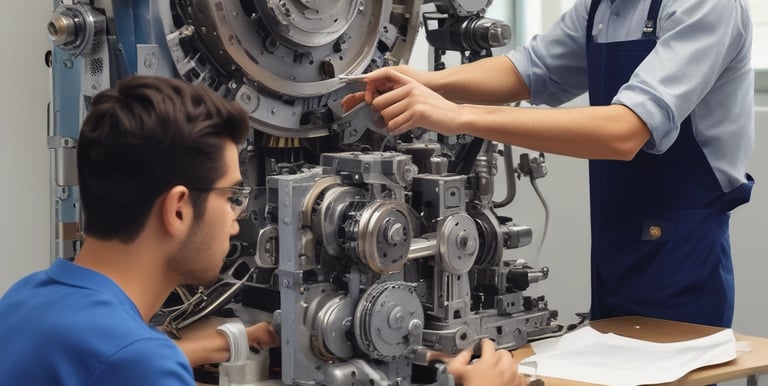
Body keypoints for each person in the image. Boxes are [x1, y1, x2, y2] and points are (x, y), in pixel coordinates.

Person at [344, 0, 754, 328]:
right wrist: (422, 83)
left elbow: (624, 131)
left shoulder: (707, 7)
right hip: (615, 241)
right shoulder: (605, 8)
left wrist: (454, 114)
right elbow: (528, 70)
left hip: (684, 253)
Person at [0, 75, 278, 385]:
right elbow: (131, 361)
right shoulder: (139, 365)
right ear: (177, 209)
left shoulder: (24, 298)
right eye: (231, 198)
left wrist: (229, 341)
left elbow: (107, 358)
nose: (235, 221)